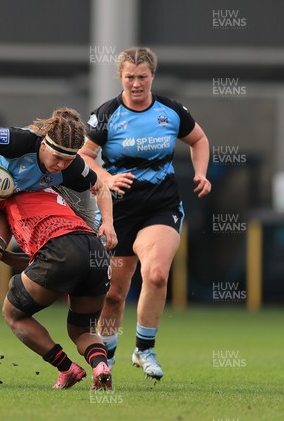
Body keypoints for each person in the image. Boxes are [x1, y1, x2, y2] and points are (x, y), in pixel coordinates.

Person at [0, 108, 117, 382]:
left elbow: (101, 187)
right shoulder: (21, 140)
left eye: (67, 160)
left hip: (0, 205)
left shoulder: (71, 166)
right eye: (57, 157)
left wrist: (107, 222)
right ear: (44, 143)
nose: (61, 165)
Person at [80, 47, 211, 380]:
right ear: (120, 77)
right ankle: (104, 360)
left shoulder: (170, 111)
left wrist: (201, 172)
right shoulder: (106, 115)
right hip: (118, 211)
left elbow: (199, 140)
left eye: (142, 77)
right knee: (113, 293)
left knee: (155, 275)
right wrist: (107, 177)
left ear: (152, 76)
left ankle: (144, 349)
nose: (136, 84)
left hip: (161, 206)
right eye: (129, 77)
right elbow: (84, 157)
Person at [0, 187, 115, 390]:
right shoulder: (55, 194)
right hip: (95, 252)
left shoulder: (5, 193)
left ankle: (67, 368)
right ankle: (100, 365)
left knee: (14, 314)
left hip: (59, 252)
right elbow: (39, 263)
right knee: (82, 331)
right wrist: (1, 254)